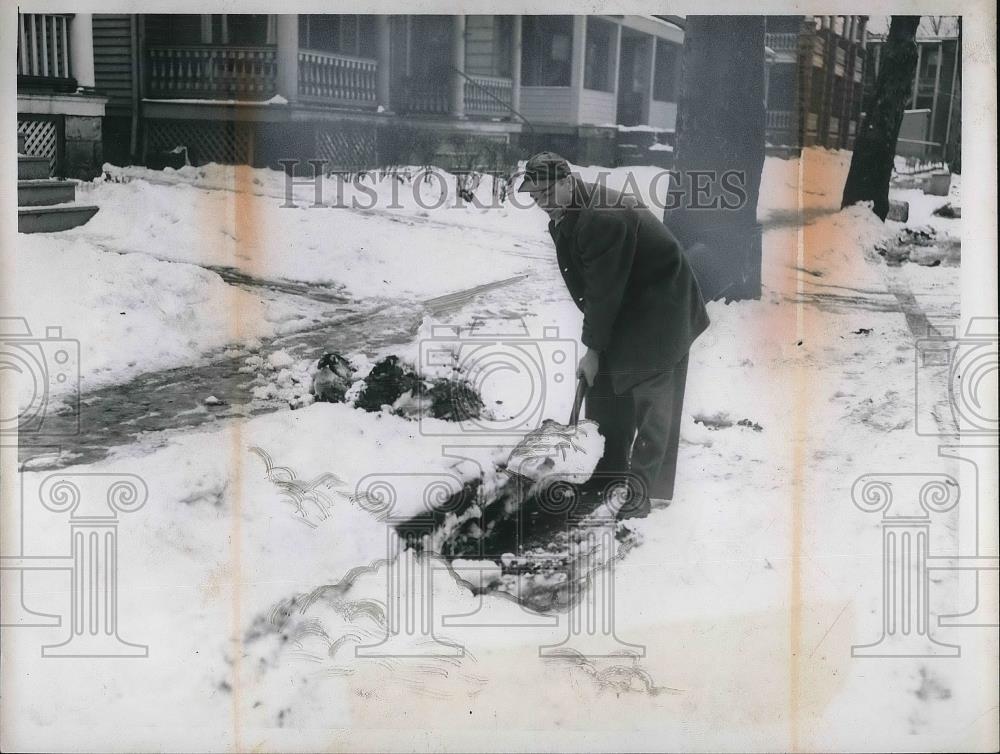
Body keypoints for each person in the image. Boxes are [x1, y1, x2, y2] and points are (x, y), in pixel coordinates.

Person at [518, 151, 710, 518]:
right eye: (533, 195)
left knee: (652, 398)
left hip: (662, 308)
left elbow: (604, 293)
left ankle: (641, 493)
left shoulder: (600, 218)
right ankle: (607, 474)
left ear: (566, 181)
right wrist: (597, 346)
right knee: (604, 384)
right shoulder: (567, 207)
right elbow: (598, 289)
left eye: (544, 193)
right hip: (627, 300)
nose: (539, 203)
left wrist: (592, 347)